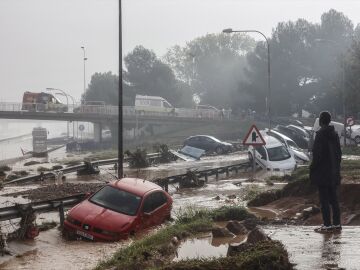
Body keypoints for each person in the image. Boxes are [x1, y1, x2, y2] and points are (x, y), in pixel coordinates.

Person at [310, 111, 342, 233]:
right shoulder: (335, 134)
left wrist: (312, 168)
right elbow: (339, 154)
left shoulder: (320, 135)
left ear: (320, 121)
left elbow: (317, 156)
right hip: (334, 172)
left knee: (324, 199)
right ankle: (337, 224)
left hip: (322, 173)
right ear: (329, 121)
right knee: (333, 199)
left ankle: (327, 225)